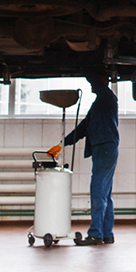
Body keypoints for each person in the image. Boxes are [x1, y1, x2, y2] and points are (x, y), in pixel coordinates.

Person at [48, 71, 119, 246]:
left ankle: (95, 234)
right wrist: (62, 144)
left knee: (98, 191)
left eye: (93, 83)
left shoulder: (108, 97)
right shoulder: (98, 105)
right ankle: (106, 234)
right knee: (104, 193)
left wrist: (86, 68)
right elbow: (82, 128)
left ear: (102, 81)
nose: (91, 86)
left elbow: (98, 83)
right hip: (103, 149)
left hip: (105, 148)